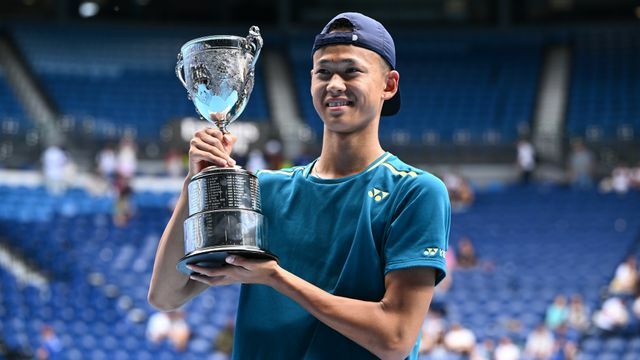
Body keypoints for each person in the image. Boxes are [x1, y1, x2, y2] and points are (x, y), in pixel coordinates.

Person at [148, 12, 451, 359]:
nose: (334, 83)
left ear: (389, 85)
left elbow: (395, 338)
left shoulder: (415, 193)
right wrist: (195, 183)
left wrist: (276, 278)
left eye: (351, 71)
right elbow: (165, 296)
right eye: (323, 72)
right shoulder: (263, 189)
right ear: (310, 82)